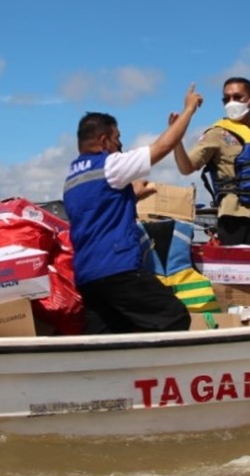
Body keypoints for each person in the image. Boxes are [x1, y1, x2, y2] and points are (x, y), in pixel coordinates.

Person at [63, 84, 203, 334]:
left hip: (87, 276)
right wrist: (189, 110)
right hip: (118, 269)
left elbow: (99, 210)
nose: (121, 145)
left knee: (107, 337)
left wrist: (132, 197)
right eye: (118, 139)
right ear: (104, 141)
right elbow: (161, 148)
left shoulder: (73, 178)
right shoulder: (109, 164)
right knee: (174, 317)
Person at [171, 77, 250, 308]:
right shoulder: (217, 134)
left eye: (237, 97)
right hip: (234, 218)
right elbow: (186, 167)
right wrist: (175, 139)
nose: (231, 102)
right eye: (226, 98)